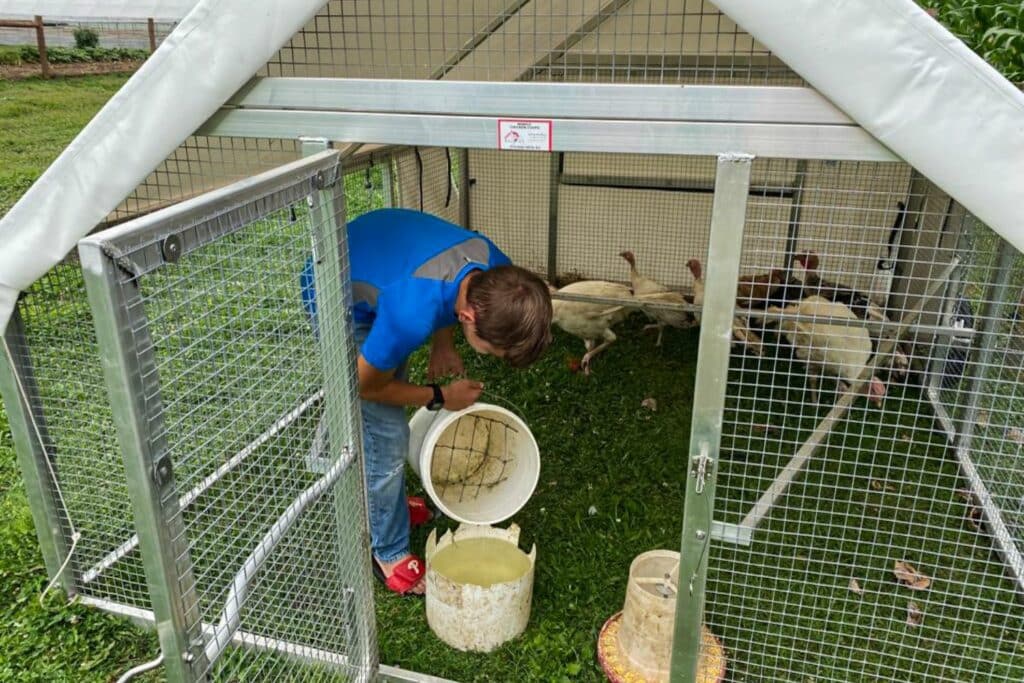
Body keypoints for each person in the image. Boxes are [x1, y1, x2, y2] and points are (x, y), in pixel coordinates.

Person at [301, 208, 552, 596]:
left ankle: (390, 507)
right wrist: (441, 397)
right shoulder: (409, 314)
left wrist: (444, 342)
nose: (493, 357)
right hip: (334, 288)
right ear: (469, 316)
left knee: (391, 370)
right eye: (494, 351)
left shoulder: (500, 272)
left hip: (384, 263)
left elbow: (451, 284)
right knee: (385, 433)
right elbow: (366, 387)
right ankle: (388, 552)